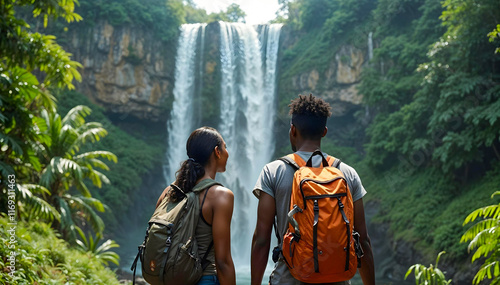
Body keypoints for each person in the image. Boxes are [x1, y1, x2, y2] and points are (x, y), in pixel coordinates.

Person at [250, 94, 375, 285]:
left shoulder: (273, 171)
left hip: (288, 279)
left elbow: (261, 238)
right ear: (324, 131)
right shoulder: (347, 173)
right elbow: (362, 239)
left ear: (292, 130)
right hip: (336, 279)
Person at [156, 127, 236, 285]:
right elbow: (223, 262)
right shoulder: (221, 196)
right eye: (225, 147)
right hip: (205, 278)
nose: (228, 152)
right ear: (217, 152)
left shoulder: (168, 192)